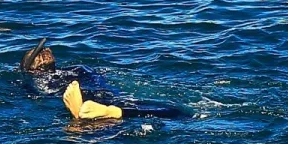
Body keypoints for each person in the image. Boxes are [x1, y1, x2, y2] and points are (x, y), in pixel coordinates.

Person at [20, 38, 187, 120]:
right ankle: (100, 114)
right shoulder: (79, 69)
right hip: (108, 97)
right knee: (176, 113)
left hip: (91, 100)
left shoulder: (36, 83)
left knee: (177, 112)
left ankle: (83, 118)